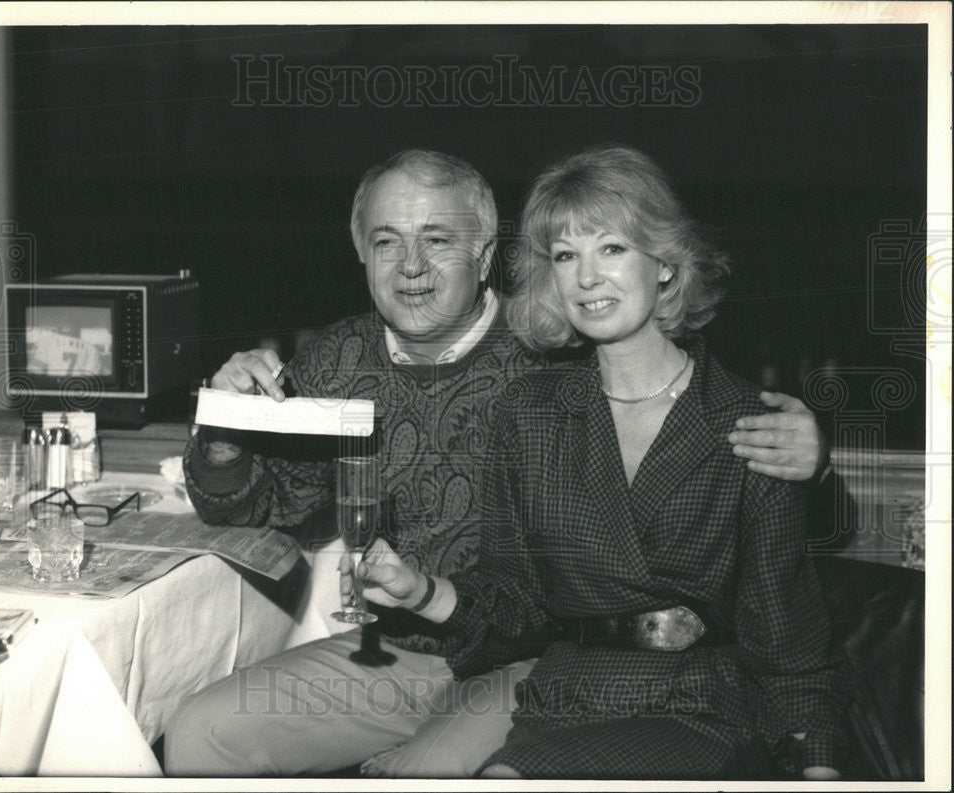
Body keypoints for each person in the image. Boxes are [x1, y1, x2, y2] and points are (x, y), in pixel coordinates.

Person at [164, 149, 830, 776]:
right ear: (360, 252)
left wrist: (820, 468)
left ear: (485, 256)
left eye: (438, 239)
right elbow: (255, 504)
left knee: (427, 770)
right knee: (200, 734)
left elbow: (722, 481)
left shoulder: (557, 346)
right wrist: (227, 427)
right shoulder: (337, 361)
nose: (411, 267)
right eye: (387, 241)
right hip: (400, 647)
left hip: (532, 657)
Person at [354, 144, 848, 779]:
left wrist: (820, 765)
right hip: (565, 699)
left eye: (611, 248)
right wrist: (419, 591)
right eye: (566, 256)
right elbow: (517, 606)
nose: (587, 278)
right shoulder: (527, 414)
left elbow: (787, 631)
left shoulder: (748, 422)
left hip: (699, 706)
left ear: (665, 265)